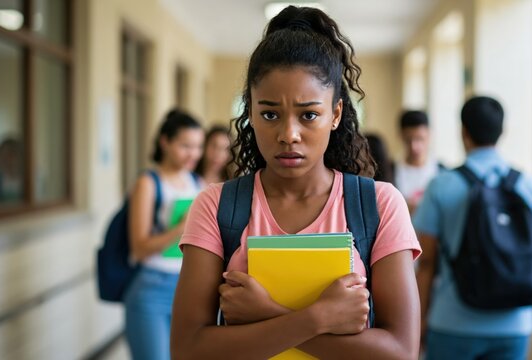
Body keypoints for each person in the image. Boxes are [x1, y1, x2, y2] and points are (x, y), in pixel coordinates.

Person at [171, 6, 421, 359]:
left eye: (308, 115)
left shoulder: (379, 205)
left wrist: (267, 312)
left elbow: (401, 352)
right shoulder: (216, 206)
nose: (289, 135)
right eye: (270, 114)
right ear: (251, 113)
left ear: (335, 114)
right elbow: (187, 349)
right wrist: (319, 317)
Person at [414, 96, 532, 360]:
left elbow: (426, 263)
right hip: (515, 325)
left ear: (463, 131)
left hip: (452, 322)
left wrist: (419, 322)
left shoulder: (442, 185)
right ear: (502, 131)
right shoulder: (529, 185)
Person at [125, 109, 205, 360]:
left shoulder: (197, 183)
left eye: (198, 146)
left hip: (189, 288)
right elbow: (139, 248)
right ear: (165, 142)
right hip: (152, 287)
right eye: (185, 146)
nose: (193, 154)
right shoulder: (148, 183)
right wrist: (181, 228)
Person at [394, 110, 441, 215]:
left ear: (429, 135)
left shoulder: (442, 171)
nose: (414, 146)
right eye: (408, 140)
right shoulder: (390, 171)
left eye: (420, 139)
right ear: (400, 135)